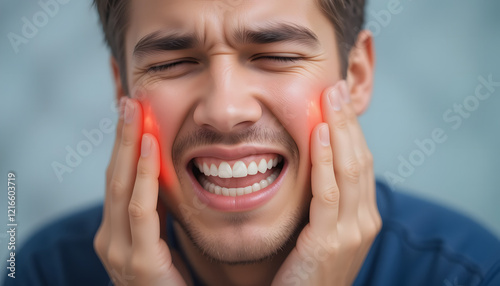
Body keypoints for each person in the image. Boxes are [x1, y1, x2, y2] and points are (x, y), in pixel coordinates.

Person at [5, 0, 500, 285]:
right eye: (170, 63)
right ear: (122, 90)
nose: (224, 109)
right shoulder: (42, 273)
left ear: (358, 74)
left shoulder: (470, 274)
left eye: (276, 55)